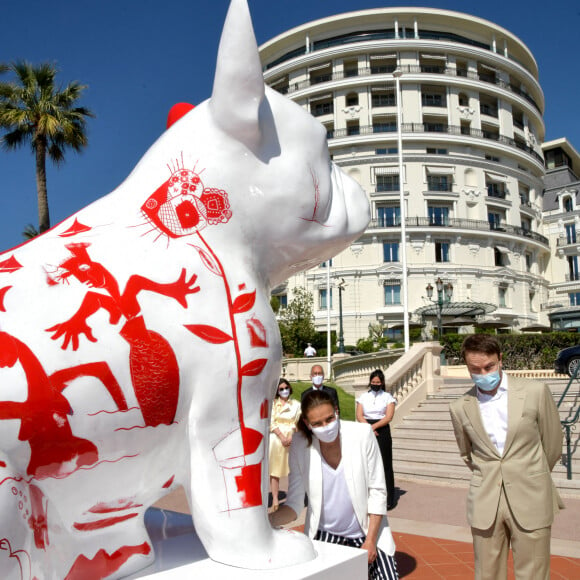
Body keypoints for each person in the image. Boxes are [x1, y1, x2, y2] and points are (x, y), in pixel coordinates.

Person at [449, 334, 564, 580]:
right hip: (485, 499)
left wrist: (531, 474)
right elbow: (467, 453)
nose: (483, 373)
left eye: (488, 366)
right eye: (475, 369)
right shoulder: (459, 407)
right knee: (487, 574)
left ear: (500, 359)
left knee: (533, 573)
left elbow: (552, 444)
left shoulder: (535, 392)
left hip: (531, 495)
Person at [270, 390, 399, 580]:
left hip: (367, 531)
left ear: (337, 411)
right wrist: (265, 523)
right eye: (317, 423)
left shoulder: (361, 434)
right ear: (307, 423)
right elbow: (295, 504)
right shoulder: (300, 445)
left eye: (330, 419)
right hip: (325, 535)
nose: (325, 426)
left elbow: (378, 492)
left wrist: (370, 541)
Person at [356, 369, 397, 510]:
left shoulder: (388, 397)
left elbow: (388, 416)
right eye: (373, 382)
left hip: (382, 430)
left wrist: (375, 427)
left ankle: (388, 499)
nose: (375, 384)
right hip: (365, 429)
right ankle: (367, 496)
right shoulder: (363, 397)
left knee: (385, 464)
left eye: (378, 382)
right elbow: (359, 415)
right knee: (367, 464)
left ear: (382, 383)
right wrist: (369, 428)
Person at [269, 378, 301, 511]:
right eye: (281, 389)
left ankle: (292, 500)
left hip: (291, 438)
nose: (284, 391)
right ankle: (275, 500)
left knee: (292, 470)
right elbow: (271, 422)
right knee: (274, 471)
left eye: (286, 388)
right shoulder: (272, 404)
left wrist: (290, 435)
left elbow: (296, 421)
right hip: (276, 439)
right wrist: (281, 436)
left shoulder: (296, 404)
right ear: (277, 391)